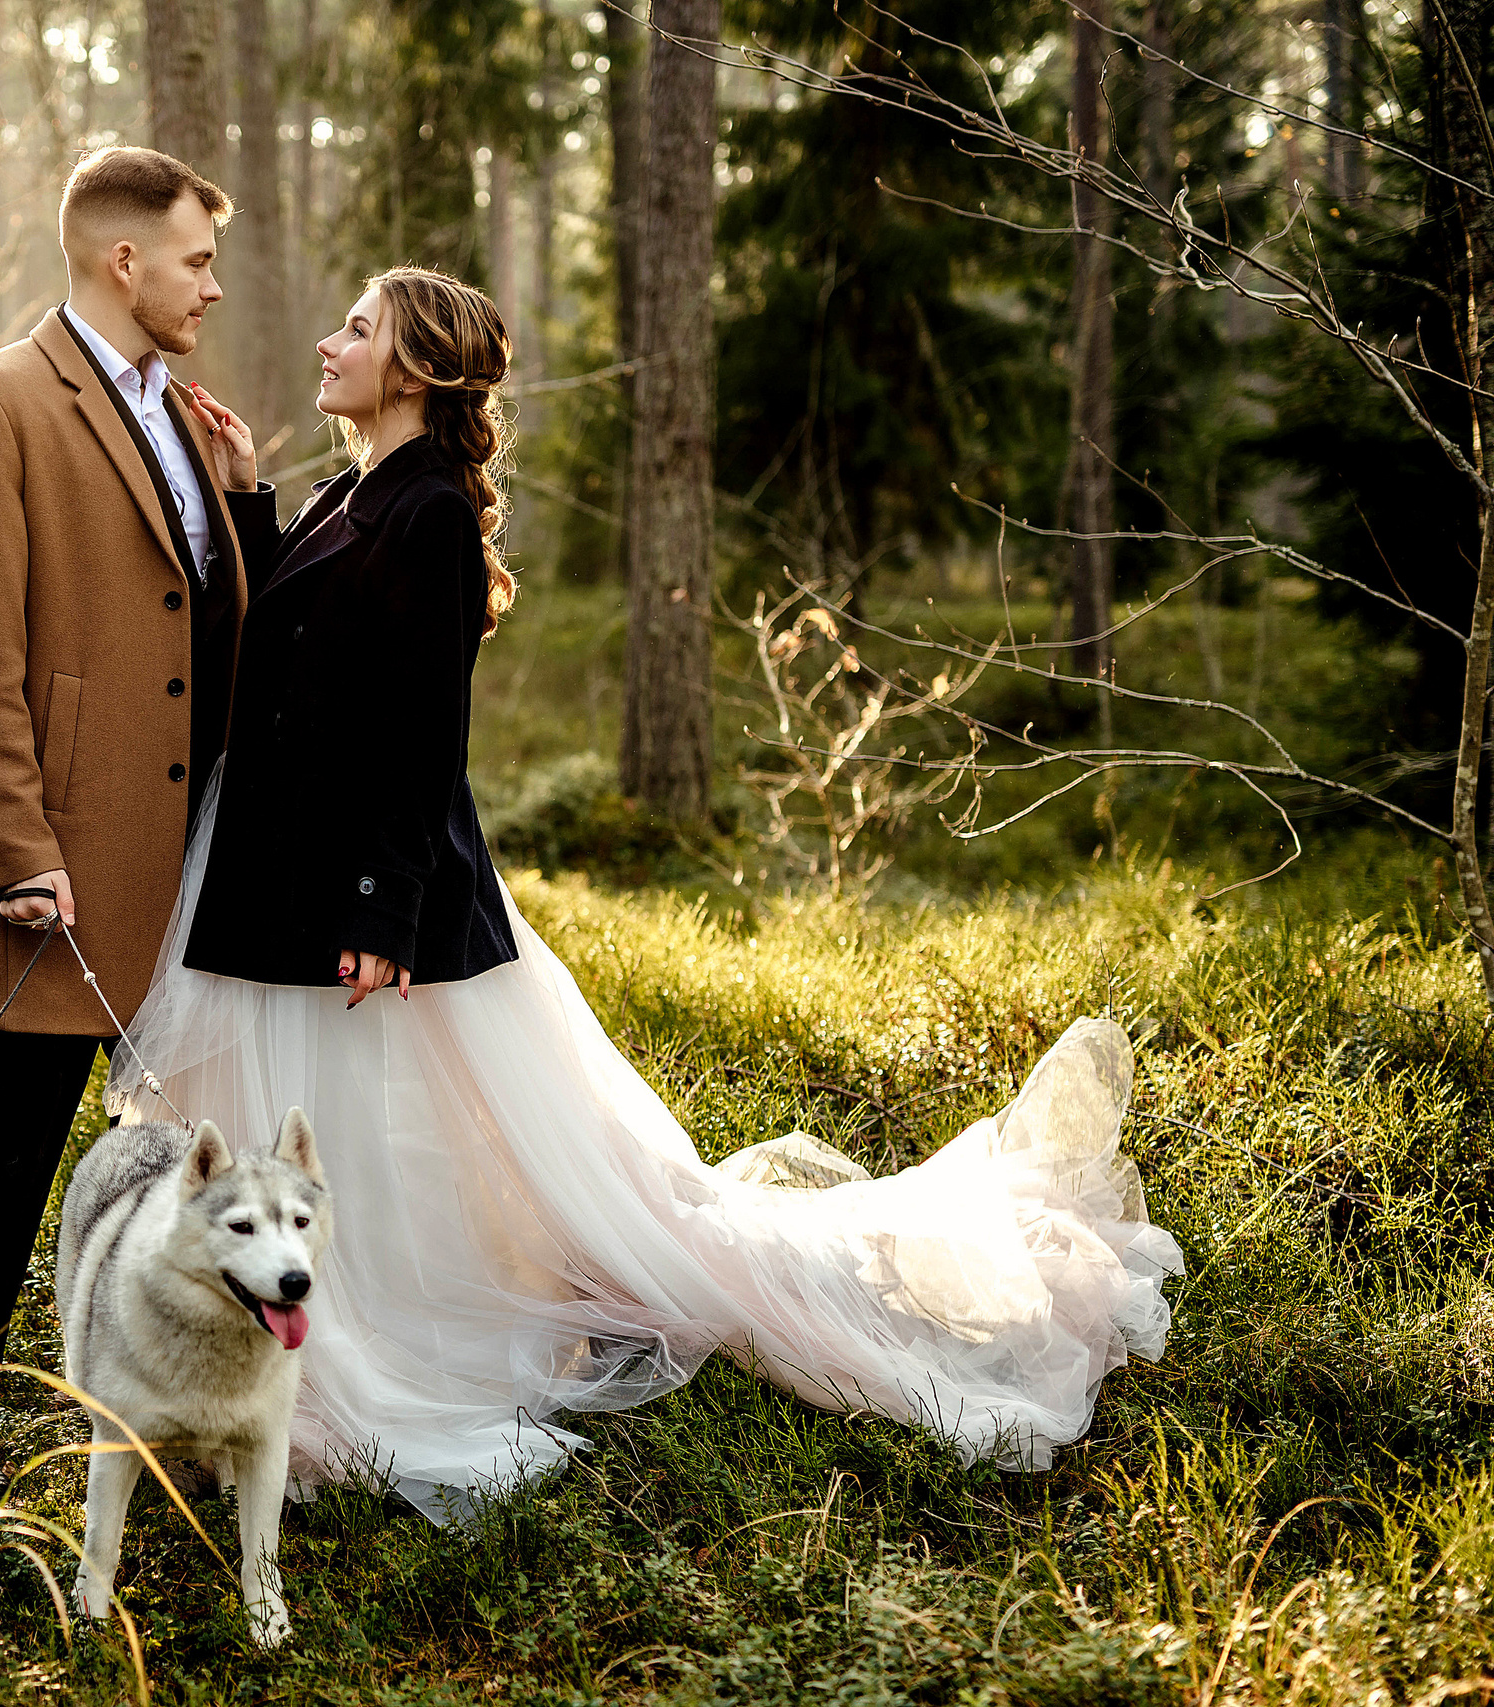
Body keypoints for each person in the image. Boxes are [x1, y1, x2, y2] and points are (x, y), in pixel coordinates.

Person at [126, 266, 1186, 1520]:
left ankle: (347, 1352)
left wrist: (378, 910)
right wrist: (248, 493)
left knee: (366, 1138)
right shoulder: (357, 487)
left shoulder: (428, 516)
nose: (326, 340)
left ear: (412, 366)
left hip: (353, 892)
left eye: (356, 328)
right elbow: (285, 643)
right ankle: (281, 1335)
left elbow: (422, 737)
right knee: (335, 1135)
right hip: (281, 874)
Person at [0, 147, 251, 1457]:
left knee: (187, 1157)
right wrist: (18, 852)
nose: (210, 288)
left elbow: (198, 610)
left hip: (192, 858)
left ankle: (168, 1399)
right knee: (1, 1146)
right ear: (127, 262)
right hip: (64, 856)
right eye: (195, 262)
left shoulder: (180, 410)